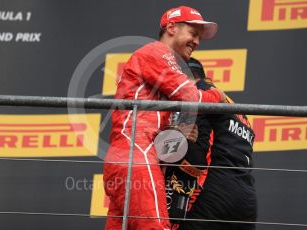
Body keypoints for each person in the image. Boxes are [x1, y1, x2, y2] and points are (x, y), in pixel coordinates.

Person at [103, 5, 224, 230]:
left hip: (129, 156)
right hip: (136, 154)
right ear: (171, 28)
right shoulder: (156, 52)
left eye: (198, 37)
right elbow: (192, 98)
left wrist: (176, 133)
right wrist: (217, 94)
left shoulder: (159, 59)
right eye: (192, 33)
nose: (196, 42)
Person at [165, 57, 257, 230]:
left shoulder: (195, 95)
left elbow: (196, 156)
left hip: (212, 195)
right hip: (246, 201)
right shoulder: (238, 110)